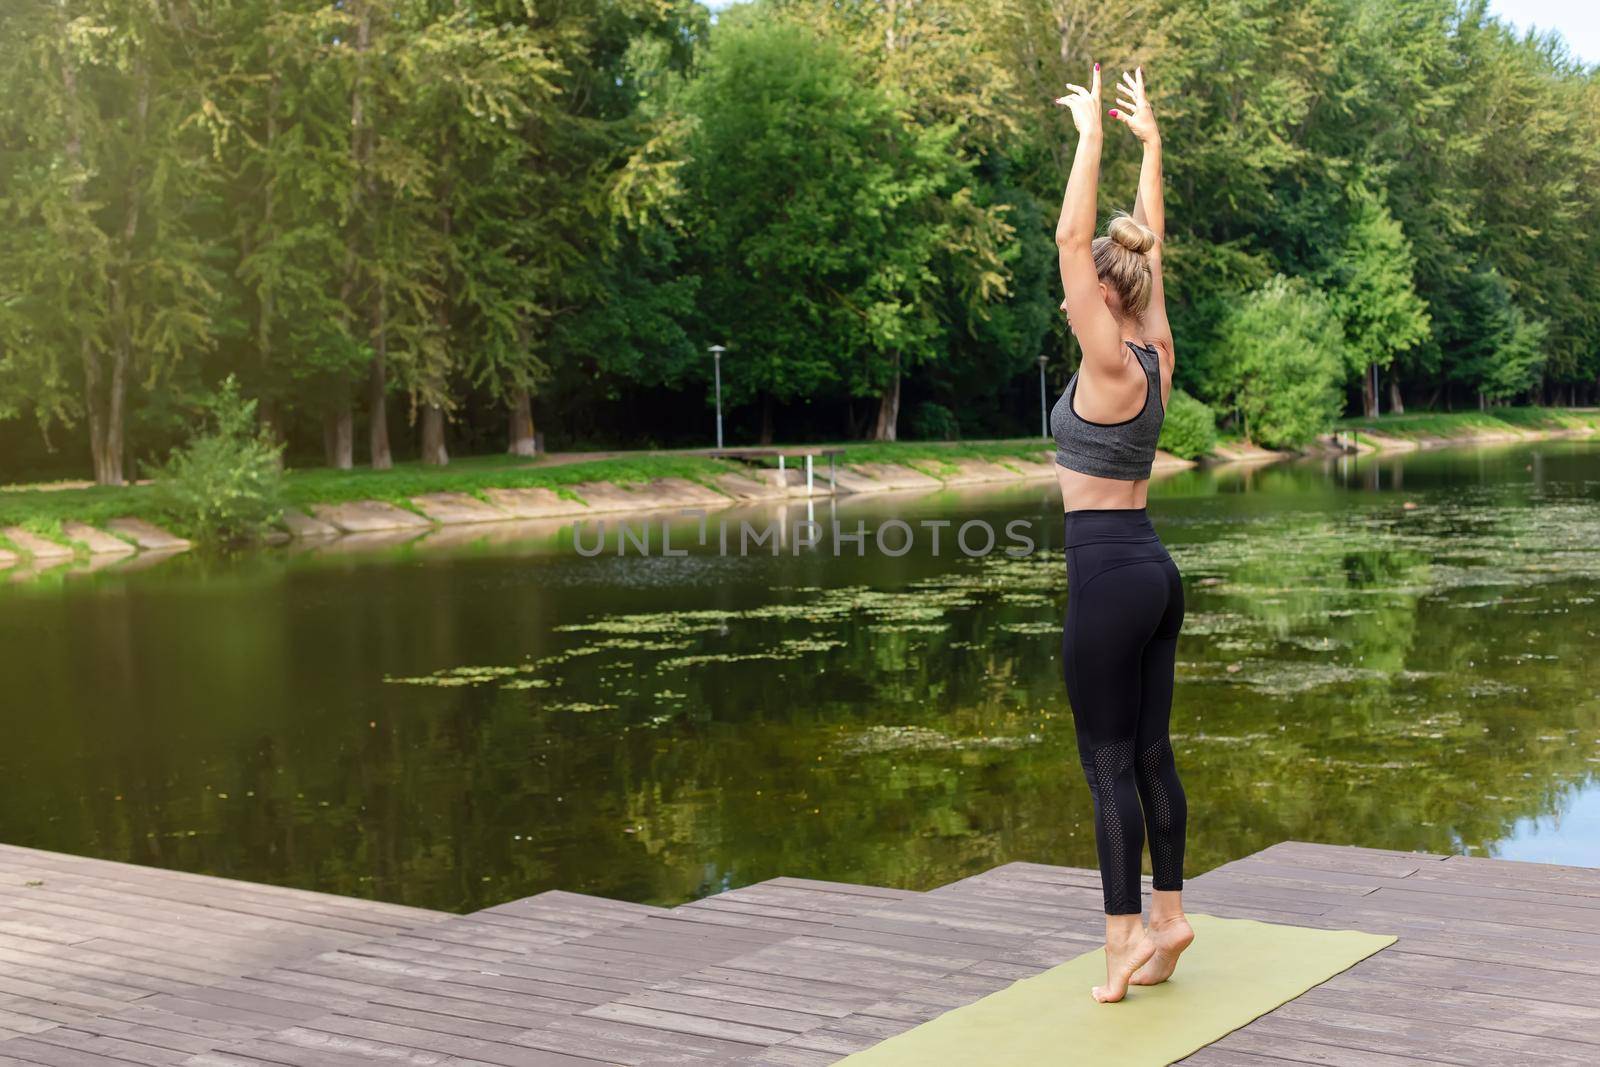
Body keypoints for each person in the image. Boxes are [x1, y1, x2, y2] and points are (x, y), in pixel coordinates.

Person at [1050, 63, 1192, 1003]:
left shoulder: (1106, 358)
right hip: (1155, 569)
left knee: (1105, 763)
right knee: (1148, 752)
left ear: (1103, 292)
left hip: (1105, 578)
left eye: (1078, 288)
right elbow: (1153, 242)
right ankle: (1170, 915)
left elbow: (1071, 233)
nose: (1067, 295)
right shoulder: (1156, 344)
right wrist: (1151, 148)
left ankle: (1120, 944)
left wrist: (1091, 137)